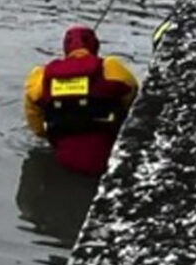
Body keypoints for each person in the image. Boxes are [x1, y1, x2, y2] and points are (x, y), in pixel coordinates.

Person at [23, 25, 138, 176]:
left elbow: (34, 118)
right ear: (95, 46)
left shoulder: (41, 76)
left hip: (64, 158)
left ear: (66, 49)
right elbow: (132, 93)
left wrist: (45, 134)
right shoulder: (111, 67)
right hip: (108, 153)